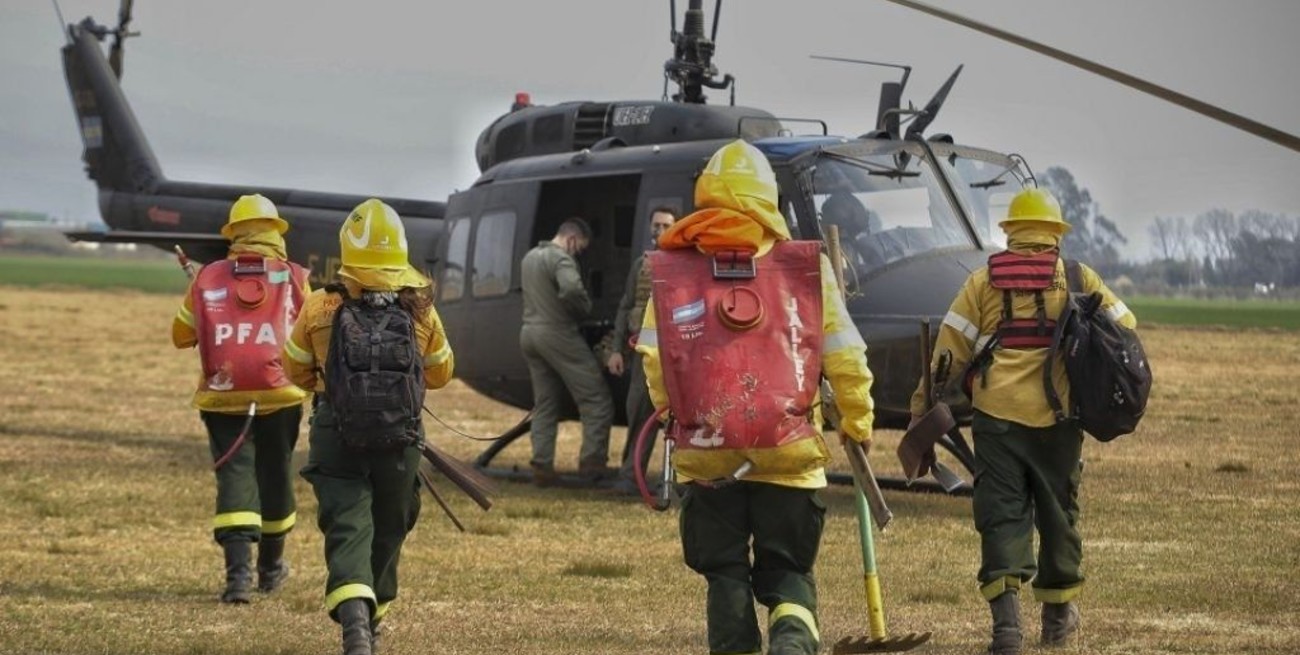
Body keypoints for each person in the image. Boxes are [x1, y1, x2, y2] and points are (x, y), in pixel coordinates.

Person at [637, 140, 876, 655]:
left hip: (708, 453)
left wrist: (676, 415)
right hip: (789, 454)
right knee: (789, 570)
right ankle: (792, 644)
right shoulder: (806, 269)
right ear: (769, 199)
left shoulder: (673, 271)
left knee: (724, 572)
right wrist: (856, 421)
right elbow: (847, 358)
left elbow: (655, 361)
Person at [908, 188, 1135, 655]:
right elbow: (1125, 326)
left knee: (1001, 515)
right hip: (1060, 420)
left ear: (1010, 233)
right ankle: (1055, 620)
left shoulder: (982, 281)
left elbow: (947, 352)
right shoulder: (1077, 276)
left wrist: (920, 407)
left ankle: (1007, 631)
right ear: (1055, 234)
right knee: (1059, 513)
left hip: (997, 421)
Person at [283, 199, 454, 655]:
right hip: (400, 439)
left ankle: (355, 620)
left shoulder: (319, 306)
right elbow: (440, 373)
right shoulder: (420, 311)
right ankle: (372, 613)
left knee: (346, 522)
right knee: (390, 524)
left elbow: (295, 369)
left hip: (335, 432)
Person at [170, 193, 311, 603]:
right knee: (276, 473)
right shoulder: (297, 276)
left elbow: (181, 337)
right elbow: (313, 333)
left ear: (233, 235)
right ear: (276, 232)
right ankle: (270, 570)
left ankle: (237, 581)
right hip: (281, 392)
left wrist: (209, 307)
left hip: (223, 395)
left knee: (235, 475)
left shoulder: (208, 277)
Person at [519, 217, 614, 486]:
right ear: (571, 239)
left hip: (529, 333)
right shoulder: (561, 259)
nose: (579, 253)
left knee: (545, 403)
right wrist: (584, 308)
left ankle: (542, 465)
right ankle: (592, 463)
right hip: (557, 333)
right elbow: (571, 289)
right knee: (596, 398)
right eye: (580, 248)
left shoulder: (530, 257)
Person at [605, 206, 678, 495]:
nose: (659, 230)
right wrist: (615, 349)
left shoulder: (686, 262)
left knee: (681, 417)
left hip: (676, 355)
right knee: (639, 412)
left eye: (666, 225)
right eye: (656, 225)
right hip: (643, 355)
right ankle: (629, 476)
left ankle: (674, 480)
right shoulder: (642, 264)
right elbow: (626, 306)